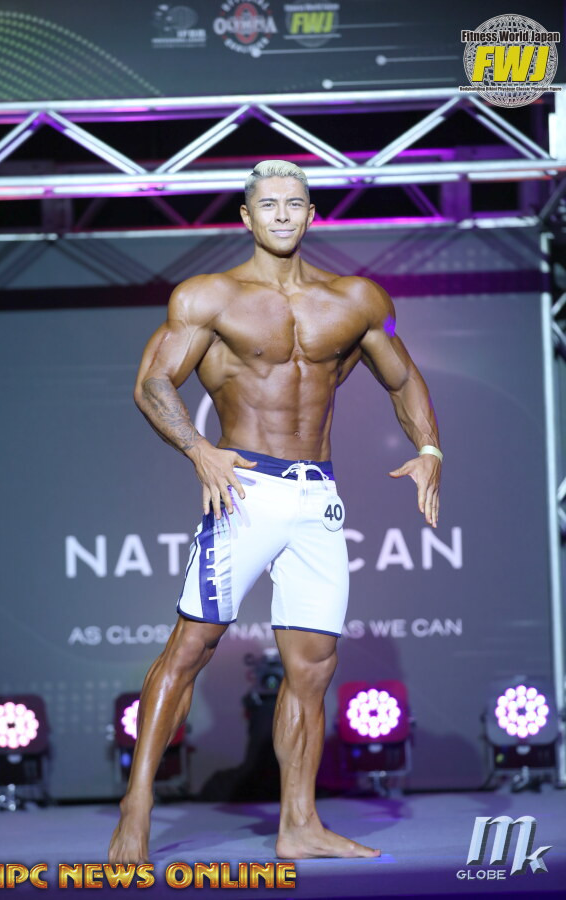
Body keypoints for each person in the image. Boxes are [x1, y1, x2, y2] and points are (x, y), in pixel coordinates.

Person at [108, 159, 442, 864]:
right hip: (244, 489)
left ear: (312, 214)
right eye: (269, 205)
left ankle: (299, 823)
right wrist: (199, 449)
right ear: (247, 216)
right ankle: (136, 808)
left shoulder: (355, 299)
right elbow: (153, 383)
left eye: (295, 204)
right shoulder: (211, 296)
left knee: (313, 667)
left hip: (317, 497)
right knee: (191, 648)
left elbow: (402, 375)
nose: (283, 215)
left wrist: (430, 449)